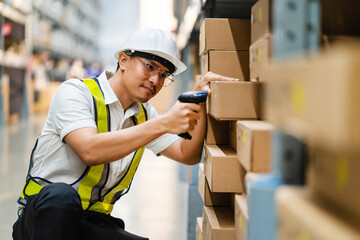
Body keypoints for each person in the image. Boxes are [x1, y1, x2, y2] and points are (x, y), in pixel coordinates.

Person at [12, 28, 238, 240]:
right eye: (150, 67)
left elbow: (186, 154)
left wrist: (198, 100)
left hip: (91, 221)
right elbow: (89, 149)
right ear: (123, 60)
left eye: (163, 75)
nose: (155, 81)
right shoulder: (76, 93)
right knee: (61, 198)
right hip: (43, 220)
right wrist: (164, 123)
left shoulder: (144, 114)